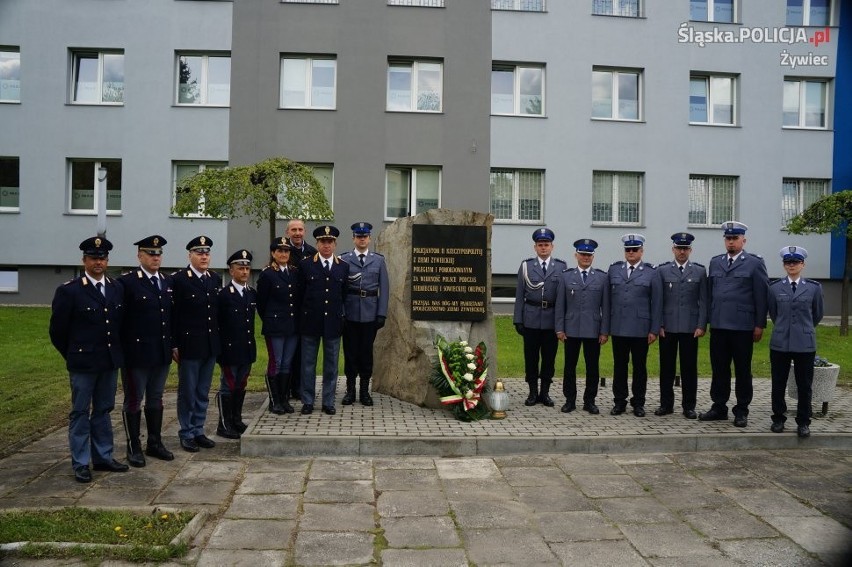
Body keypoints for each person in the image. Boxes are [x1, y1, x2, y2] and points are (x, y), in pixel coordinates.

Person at [49, 236, 128, 483]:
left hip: (108, 361)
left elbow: (119, 325)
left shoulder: (116, 288)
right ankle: (81, 462)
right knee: (80, 412)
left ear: (107, 260)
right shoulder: (69, 290)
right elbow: (57, 331)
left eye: (102, 258)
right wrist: (73, 353)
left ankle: (103, 457)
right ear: (84, 260)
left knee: (104, 410)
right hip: (83, 363)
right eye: (93, 258)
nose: (98, 262)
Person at [699, 221, 769, 428]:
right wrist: (707, 321)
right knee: (719, 368)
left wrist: (759, 324)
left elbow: (761, 295)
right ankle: (719, 406)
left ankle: (742, 410)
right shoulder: (716, 262)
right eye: (728, 238)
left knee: (742, 370)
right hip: (719, 325)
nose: (731, 242)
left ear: (743, 240)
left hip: (742, 326)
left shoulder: (754, 263)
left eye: (735, 238)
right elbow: (711, 293)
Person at [118, 235, 175, 468]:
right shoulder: (128, 283)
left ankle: (155, 442)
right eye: (151, 254)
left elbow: (171, 317)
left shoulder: (166, 281)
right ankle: (133, 446)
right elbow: (120, 319)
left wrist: (173, 344)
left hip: (161, 351)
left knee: (156, 398)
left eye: (158, 254)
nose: (155, 257)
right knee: (134, 399)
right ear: (140, 256)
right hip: (137, 353)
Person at [171, 235, 221, 452]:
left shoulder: (214, 278)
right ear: (189, 255)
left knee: (203, 390)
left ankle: (199, 429)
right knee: (188, 391)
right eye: (199, 253)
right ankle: (186, 432)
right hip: (189, 344)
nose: (204, 256)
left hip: (209, 344)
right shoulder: (179, 279)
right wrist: (174, 344)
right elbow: (173, 314)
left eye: (207, 253)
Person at [768, 246, 823, 438]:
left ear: (803, 264)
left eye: (795, 262)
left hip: (804, 343)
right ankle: (778, 418)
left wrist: (802, 328)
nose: (791, 265)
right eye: (787, 262)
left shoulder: (814, 288)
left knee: (804, 384)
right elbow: (774, 314)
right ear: (784, 265)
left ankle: (803, 421)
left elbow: (817, 314)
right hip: (780, 342)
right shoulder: (775, 288)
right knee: (778, 382)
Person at [607, 234, 662, 417]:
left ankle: (638, 402)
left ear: (641, 251)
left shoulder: (652, 272)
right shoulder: (614, 270)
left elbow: (657, 303)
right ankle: (619, 402)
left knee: (640, 367)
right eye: (627, 250)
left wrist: (654, 329)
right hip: (619, 326)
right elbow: (607, 302)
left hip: (640, 328)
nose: (631, 253)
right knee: (619, 366)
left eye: (634, 250)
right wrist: (606, 328)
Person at [655, 232, 708, 419]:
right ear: (673, 249)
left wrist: (701, 325)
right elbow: (658, 301)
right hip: (667, 327)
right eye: (679, 248)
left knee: (689, 368)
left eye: (685, 248)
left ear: (690, 250)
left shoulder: (700, 271)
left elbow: (704, 300)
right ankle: (666, 405)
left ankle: (689, 406)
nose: (682, 251)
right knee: (666, 368)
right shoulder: (662, 271)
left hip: (690, 328)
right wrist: (658, 324)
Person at [298, 225, 349, 415]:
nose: (326, 245)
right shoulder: (306, 265)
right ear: (317, 244)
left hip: (333, 323)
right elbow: (300, 294)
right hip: (310, 322)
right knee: (308, 364)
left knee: (331, 365)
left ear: (335, 244)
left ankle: (328, 401)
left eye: (330, 242)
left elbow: (343, 295)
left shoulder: (343, 266)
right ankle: (308, 401)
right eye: (322, 242)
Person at [555, 239, 610, 414]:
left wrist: (604, 331)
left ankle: (590, 401)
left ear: (593, 256)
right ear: (576, 255)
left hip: (593, 329)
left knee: (592, 367)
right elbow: (560, 306)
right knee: (569, 367)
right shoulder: (566, 276)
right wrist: (559, 328)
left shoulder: (602, 277)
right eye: (583, 254)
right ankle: (570, 400)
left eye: (589, 255)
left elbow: (606, 307)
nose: (586, 257)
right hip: (571, 329)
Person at [513, 228, 566, 407]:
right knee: (531, 358)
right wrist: (518, 319)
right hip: (531, 319)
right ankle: (532, 393)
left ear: (552, 246)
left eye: (546, 245)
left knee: (549, 358)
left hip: (552, 320)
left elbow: (562, 299)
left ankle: (545, 393)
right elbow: (520, 294)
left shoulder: (561, 267)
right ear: (535, 247)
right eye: (540, 245)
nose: (543, 248)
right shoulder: (526, 266)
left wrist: (561, 323)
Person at [341, 222, 390, 406]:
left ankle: (364, 392)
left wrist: (381, 314)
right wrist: (342, 313)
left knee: (366, 353)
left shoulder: (378, 260)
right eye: (358, 236)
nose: (362, 239)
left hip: (370, 314)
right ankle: (350, 391)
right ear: (354, 238)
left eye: (365, 236)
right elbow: (340, 290)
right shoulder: (344, 260)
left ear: (369, 238)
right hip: (351, 314)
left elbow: (384, 289)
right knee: (350, 353)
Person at [215, 249, 257, 439]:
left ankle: (236, 419)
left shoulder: (250, 293)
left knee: (241, 385)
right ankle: (224, 424)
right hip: (230, 349)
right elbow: (218, 324)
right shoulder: (223, 295)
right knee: (228, 386)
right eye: (240, 268)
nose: (245, 272)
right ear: (231, 271)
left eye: (247, 268)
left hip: (246, 348)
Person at [256, 237, 300, 415]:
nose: (283, 254)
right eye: (280, 251)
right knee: (277, 362)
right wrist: (269, 319)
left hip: (292, 325)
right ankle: (275, 401)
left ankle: (284, 399)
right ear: (273, 253)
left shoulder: (294, 272)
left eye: (286, 251)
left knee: (287, 363)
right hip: (275, 326)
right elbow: (261, 303)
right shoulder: (267, 274)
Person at [285, 219, 317, 401]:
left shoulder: (312, 252)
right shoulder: (282, 251)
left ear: (305, 231)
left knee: (302, 353)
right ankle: (285, 388)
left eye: (300, 229)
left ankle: (298, 387)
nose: (297, 233)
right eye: (293, 230)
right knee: (287, 352)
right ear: (287, 232)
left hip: (305, 309)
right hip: (288, 308)